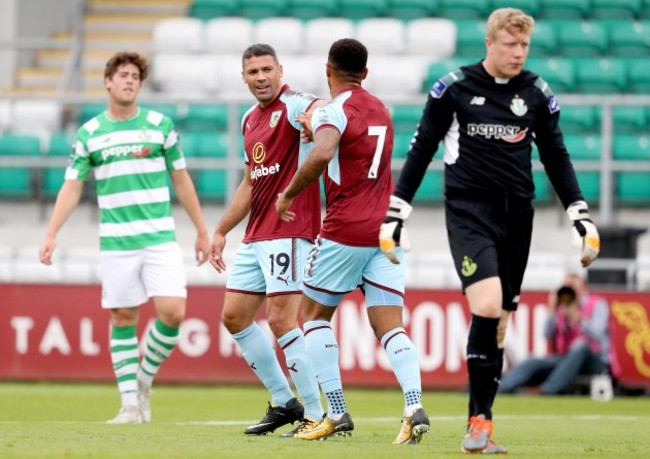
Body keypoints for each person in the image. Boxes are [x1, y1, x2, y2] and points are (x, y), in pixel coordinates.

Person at [378, 7, 601, 454]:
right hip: (469, 211)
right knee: (487, 302)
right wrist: (396, 211)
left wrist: (579, 213)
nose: (518, 53)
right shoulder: (454, 89)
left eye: (524, 46)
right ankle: (480, 421)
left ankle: (478, 424)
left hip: (519, 215)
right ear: (489, 43)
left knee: (499, 325)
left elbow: (556, 156)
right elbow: (421, 149)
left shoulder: (536, 92)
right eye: (510, 44)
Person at [38, 51, 210, 424]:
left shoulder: (160, 126)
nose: (130, 80)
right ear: (108, 82)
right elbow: (71, 186)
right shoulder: (90, 133)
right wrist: (52, 233)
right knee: (123, 317)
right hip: (116, 241)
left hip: (159, 237)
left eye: (135, 76)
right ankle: (130, 405)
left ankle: (143, 379)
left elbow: (181, 179)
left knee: (173, 312)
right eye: (123, 75)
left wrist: (200, 230)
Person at [276, 38, 430, 444]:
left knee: (312, 317)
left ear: (328, 69)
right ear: (366, 73)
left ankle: (337, 413)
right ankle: (413, 405)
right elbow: (353, 146)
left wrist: (288, 193)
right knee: (390, 327)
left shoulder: (333, 110)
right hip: (386, 230)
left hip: (346, 228)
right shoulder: (381, 108)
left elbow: (325, 152)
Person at [208, 43, 326, 436]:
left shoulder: (294, 105)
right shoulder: (248, 119)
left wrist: (315, 120)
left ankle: (314, 413)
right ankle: (285, 402)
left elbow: (319, 107)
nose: (260, 77)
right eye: (253, 71)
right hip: (256, 233)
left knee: (280, 319)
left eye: (266, 69)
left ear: (280, 70)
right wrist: (222, 230)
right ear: (243, 77)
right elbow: (249, 183)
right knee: (235, 317)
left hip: (291, 228)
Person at [499, 273, 611, 394]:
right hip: (565, 360)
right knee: (532, 361)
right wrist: (551, 310)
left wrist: (579, 318)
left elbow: (598, 335)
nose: (569, 289)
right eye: (566, 286)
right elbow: (547, 334)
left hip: (596, 361)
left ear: (583, 286)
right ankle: (500, 387)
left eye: (572, 285)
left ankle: (546, 390)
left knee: (580, 346)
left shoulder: (598, 304)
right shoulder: (562, 308)